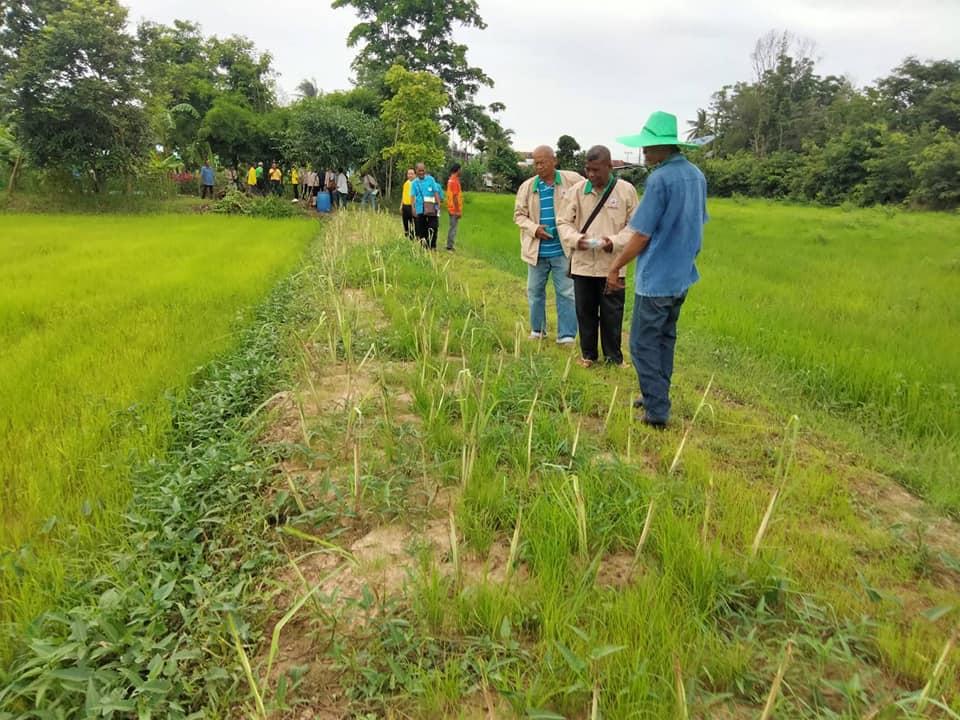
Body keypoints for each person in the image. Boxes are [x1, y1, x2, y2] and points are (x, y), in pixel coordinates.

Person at [606, 111, 708, 427]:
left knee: (641, 342)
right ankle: (655, 394)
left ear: (665, 147)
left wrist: (616, 266)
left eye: (650, 147)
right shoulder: (696, 175)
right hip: (681, 275)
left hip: (657, 279)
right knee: (665, 338)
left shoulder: (660, 179)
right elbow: (698, 224)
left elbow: (642, 234)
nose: (645, 152)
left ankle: (657, 411)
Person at [557, 145, 638, 367]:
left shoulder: (625, 191)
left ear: (609, 167)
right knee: (585, 311)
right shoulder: (577, 191)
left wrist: (613, 241)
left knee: (613, 313)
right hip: (583, 264)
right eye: (588, 169)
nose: (591, 175)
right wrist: (576, 239)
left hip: (613, 264)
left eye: (596, 170)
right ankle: (588, 355)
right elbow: (563, 222)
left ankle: (614, 358)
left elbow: (635, 227)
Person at [514, 146, 582, 343]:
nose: (539, 166)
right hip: (537, 251)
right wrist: (535, 229)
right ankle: (538, 330)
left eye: (543, 162)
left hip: (563, 250)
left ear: (555, 161)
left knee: (566, 293)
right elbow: (519, 215)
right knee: (534, 291)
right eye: (535, 163)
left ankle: (567, 335)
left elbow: (586, 201)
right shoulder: (528, 187)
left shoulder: (573, 180)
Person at [411, 162, 444, 250]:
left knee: (433, 226)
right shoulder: (414, 183)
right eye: (419, 170)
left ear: (425, 170)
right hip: (420, 208)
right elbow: (413, 196)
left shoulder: (430, 179)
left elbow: (436, 191)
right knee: (422, 229)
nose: (421, 172)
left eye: (423, 170)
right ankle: (424, 246)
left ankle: (432, 246)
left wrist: (438, 203)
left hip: (431, 208)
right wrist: (413, 208)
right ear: (416, 171)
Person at [445, 163, 462, 251]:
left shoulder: (450, 180)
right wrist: (458, 210)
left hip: (450, 207)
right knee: (453, 228)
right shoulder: (454, 181)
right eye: (460, 169)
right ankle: (449, 246)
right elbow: (455, 197)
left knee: (452, 227)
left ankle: (449, 245)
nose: (461, 171)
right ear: (457, 170)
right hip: (454, 209)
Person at [400, 168, 416, 239]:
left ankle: (412, 236)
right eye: (409, 174)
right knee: (405, 223)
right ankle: (407, 235)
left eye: (412, 174)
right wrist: (401, 205)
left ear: (415, 175)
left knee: (414, 223)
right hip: (405, 206)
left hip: (413, 206)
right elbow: (403, 195)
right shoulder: (406, 183)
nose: (410, 175)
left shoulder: (416, 183)